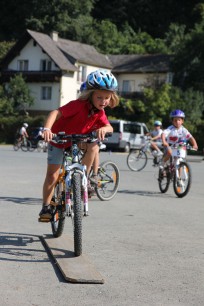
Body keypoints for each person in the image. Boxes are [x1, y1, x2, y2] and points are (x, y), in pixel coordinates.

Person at [39, 69, 119, 220]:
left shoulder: (100, 113)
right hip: (59, 140)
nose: (103, 101)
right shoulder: (78, 105)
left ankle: (83, 177)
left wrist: (104, 128)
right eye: (99, 97)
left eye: (107, 98)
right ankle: (46, 207)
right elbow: (55, 113)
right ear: (90, 94)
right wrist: (47, 129)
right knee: (52, 176)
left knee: (94, 144)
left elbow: (110, 127)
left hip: (77, 141)